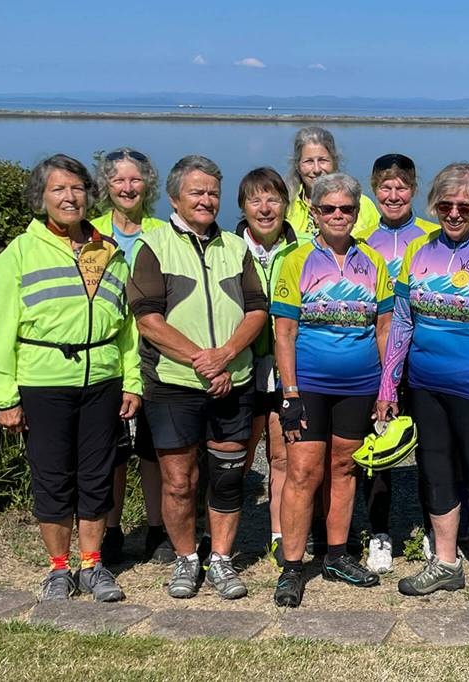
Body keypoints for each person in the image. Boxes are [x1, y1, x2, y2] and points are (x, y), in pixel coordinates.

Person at [0, 154, 141, 602]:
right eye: (58, 189)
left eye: (76, 188)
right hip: (43, 381)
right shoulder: (17, 255)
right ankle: (58, 568)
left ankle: (92, 565)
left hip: (103, 379)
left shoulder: (108, 251)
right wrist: (3, 396)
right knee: (52, 477)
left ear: (89, 194)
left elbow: (125, 326)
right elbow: (3, 332)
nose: (69, 197)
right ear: (41, 197)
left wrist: (132, 382)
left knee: (96, 475)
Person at [375, 162, 469, 609]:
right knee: (435, 470)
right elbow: (402, 321)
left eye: (465, 205)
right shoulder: (419, 250)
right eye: (446, 205)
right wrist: (388, 386)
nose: (455, 213)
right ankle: (446, 564)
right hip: (425, 385)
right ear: (435, 206)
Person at [127, 155, 268, 600]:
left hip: (233, 380)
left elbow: (257, 309)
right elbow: (147, 319)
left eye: (212, 192)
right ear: (174, 197)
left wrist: (225, 356)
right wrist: (202, 361)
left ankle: (222, 559)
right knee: (179, 480)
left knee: (227, 476)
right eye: (196, 192)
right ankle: (187, 558)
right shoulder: (152, 245)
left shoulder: (236, 246)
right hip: (172, 384)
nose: (206, 200)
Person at [271, 173, 393, 608]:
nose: (338, 215)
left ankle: (337, 556)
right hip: (310, 385)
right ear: (314, 213)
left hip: (360, 385)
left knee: (344, 468)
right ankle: (292, 566)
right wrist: (289, 392)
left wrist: (387, 388)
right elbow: (283, 332)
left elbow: (383, 329)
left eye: (346, 209)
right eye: (329, 209)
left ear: (357, 214)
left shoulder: (373, 262)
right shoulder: (295, 259)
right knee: (303, 472)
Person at [353, 153, 439, 573]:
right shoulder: (362, 242)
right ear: (374, 190)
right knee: (379, 453)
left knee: (431, 452)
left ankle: (433, 530)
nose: (393, 194)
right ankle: (380, 534)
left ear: (413, 189)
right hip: (378, 363)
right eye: (385, 187)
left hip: (423, 361)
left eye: (401, 186)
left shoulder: (432, 237)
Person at [91, 147, 173, 565]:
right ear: (106, 184)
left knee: (155, 448)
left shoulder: (161, 233)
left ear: (149, 184)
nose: (127, 187)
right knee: (115, 450)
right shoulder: (89, 233)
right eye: (119, 180)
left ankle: (158, 528)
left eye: (135, 179)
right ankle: (111, 529)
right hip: (110, 353)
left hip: (157, 353)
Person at [235, 167, 307, 569]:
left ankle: (281, 534)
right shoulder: (229, 249)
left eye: (273, 199)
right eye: (255, 200)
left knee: (282, 457)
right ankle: (219, 534)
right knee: (236, 455)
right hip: (241, 367)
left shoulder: (302, 249)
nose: (265, 209)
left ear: (286, 205)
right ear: (243, 207)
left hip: (285, 369)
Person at [284, 126, 379, 237]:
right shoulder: (286, 206)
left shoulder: (363, 205)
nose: (316, 169)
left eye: (322, 160)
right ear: (297, 165)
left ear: (335, 162)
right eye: (308, 161)